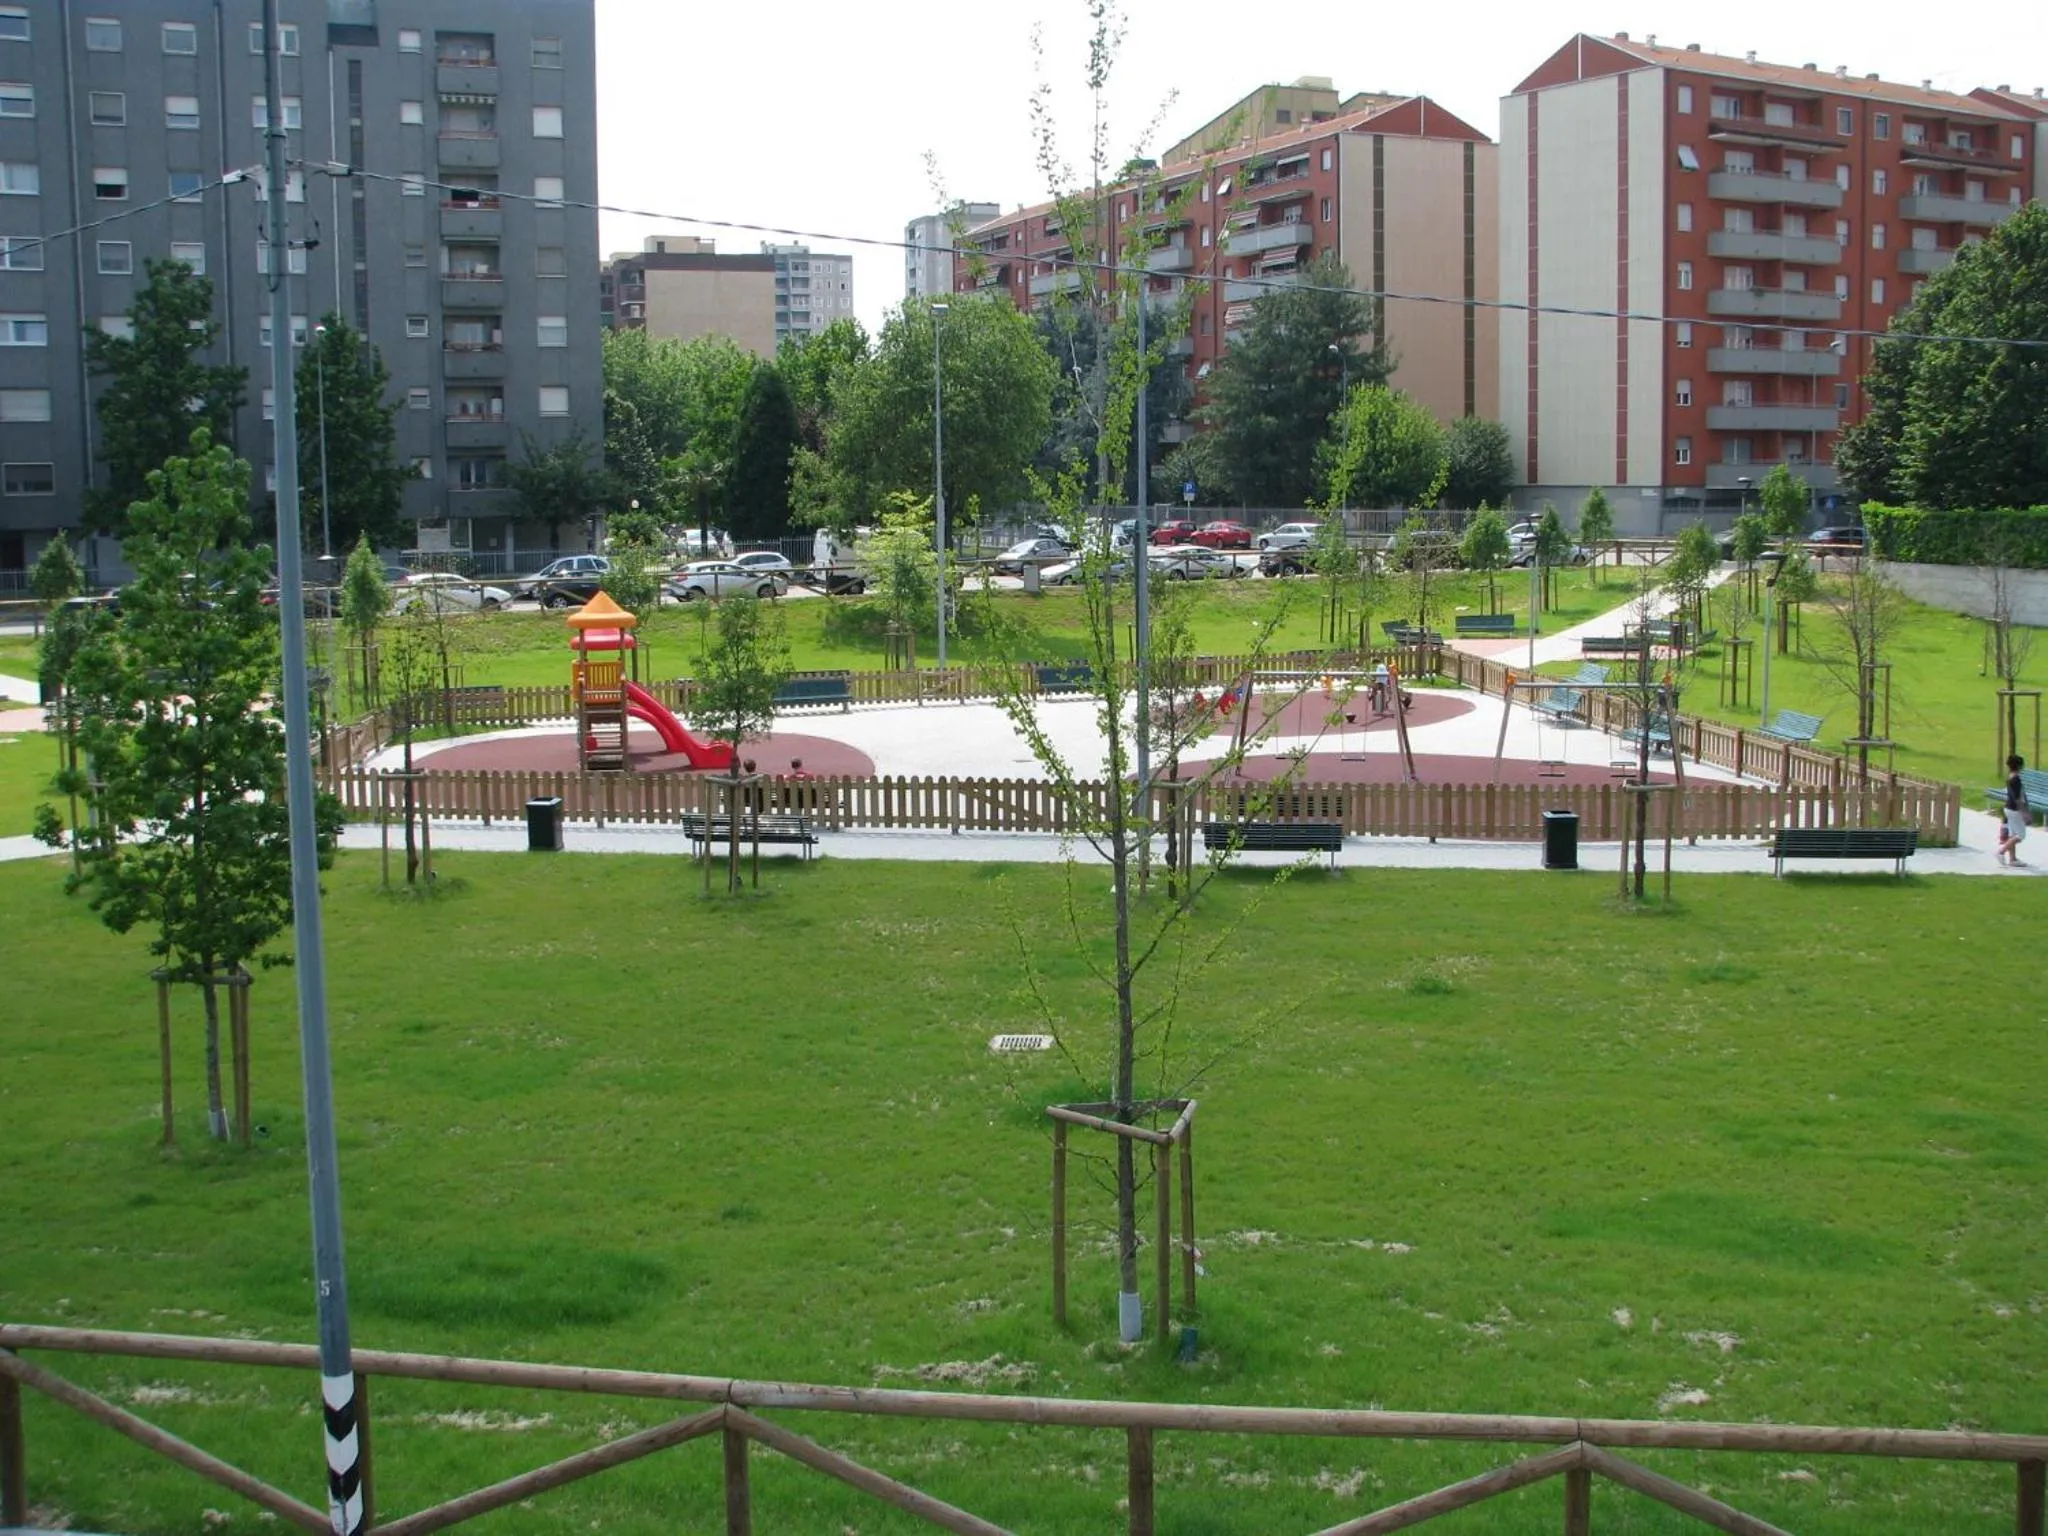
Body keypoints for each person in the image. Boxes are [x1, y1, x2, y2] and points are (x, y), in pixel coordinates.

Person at [1997, 753, 2029, 866]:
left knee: (2013, 833)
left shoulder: (2010, 777)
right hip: (2015, 810)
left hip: (2009, 809)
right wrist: (2024, 813)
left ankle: (2013, 859)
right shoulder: (2016, 780)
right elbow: (2018, 799)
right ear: (2019, 766)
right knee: (2020, 835)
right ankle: (2001, 851)